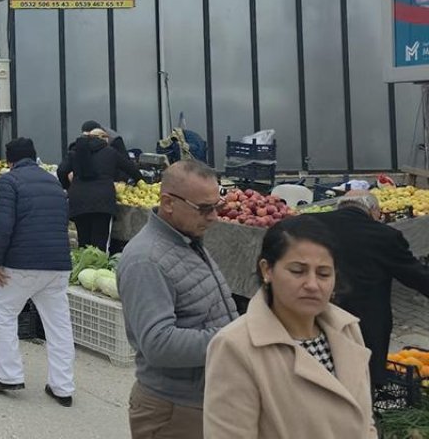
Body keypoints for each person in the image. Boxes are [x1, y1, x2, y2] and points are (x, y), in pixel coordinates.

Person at [204, 216, 376, 439]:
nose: (312, 285)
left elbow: (365, 420)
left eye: (323, 273)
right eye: (297, 271)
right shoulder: (235, 346)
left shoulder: (347, 329)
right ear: (267, 270)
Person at [118, 159, 238, 438]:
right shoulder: (145, 260)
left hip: (202, 401)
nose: (214, 217)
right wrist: (232, 339)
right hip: (173, 410)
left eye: (216, 206)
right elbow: (158, 344)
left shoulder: (186, 241)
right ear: (168, 202)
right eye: (204, 209)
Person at [0, 137, 75, 405]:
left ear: (10, 161)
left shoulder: (10, 182)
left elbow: (1, 225)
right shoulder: (53, 182)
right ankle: (63, 387)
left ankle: (10, 375)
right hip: (58, 265)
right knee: (58, 326)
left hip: (22, 264)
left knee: (1, 312)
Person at [313, 191, 429, 382]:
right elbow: (415, 275)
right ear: (373, 210)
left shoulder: (309, 225)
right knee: (364, 378)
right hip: (364, 321)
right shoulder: (384, 236)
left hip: (317, 313)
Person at [58, 123, 143, 250]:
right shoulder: (110, 152)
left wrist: (69, 187)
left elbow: (61, 171)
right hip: (102, 203)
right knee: (100, 245)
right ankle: (99, 268)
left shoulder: (75, 152)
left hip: (78, 201)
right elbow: (131, 169)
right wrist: (139, 181)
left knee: (83, 244)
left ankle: (84, 268)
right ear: (103, 138)